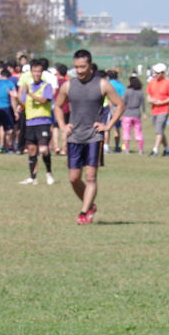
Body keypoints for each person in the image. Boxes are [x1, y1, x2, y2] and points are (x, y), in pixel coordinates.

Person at [54, 49, 123, 224]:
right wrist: (62, 125)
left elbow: (120, 105)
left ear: (90, 65)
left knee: (91, 176)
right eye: (76, 67)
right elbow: (57, 106)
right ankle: (90, 205)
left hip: (94, 136)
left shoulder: (102, 84)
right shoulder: (68, 86)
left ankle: (83, 213)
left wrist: (107, 126)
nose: (79, 70)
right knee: (74, 178)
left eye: (83, 67)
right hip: (74, 137)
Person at [17, 60, 56, 185]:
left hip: (43, 121)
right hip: (30, 122)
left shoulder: (47, 86)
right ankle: (32, 178)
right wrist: (16, 98)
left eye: (39, 71)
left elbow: (44, 100)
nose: (37, 74)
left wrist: (30, 94)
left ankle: (49, 172)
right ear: (31, 72)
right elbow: (23, 103)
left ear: (42, 72)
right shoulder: (29, 86)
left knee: (43, 149)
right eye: (34, 71)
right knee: (32, 150)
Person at [146, 63, 169, 157]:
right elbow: (148, 95)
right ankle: (167, 150)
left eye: (158, 73)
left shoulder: (167, 83)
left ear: (163, 73)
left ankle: (155, 150)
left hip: (164, 110)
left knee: (158, 131)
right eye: (155, 72)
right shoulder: (152, 82)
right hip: (154, 110)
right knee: (160, 131)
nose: (156, 74)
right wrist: (151, 100)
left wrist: (161, 102)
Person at [0, 67, 19, 153]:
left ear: (0, 75)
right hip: (6, 108)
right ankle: (6, 148)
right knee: (8, 130)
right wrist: (15, 112)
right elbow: (13, 99)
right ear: (9, 76)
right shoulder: (10, 84)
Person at [120, 75, 145, 153]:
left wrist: (121, 113)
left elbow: (124, 103)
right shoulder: (140, 92)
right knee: (138, 131)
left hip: (127, 113)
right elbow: (143, 103)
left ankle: (126, 149)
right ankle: (140, 149)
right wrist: (144, 113)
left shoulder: (127, 91)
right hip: (136, 113)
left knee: (126, 131)